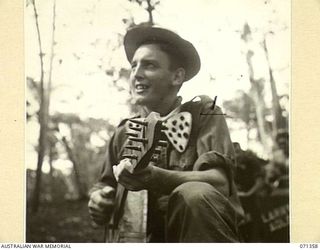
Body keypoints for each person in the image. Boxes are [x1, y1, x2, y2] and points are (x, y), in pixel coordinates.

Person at [88, 25, 244, 243]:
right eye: (134, 66)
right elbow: (104, 185)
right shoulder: (124, 132)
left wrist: (158, 178)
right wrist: (99, 199)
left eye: (149, 65)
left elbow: (219, 183)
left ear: (177, 77)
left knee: (195, 194)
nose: (137, 74)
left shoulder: (204, 116)